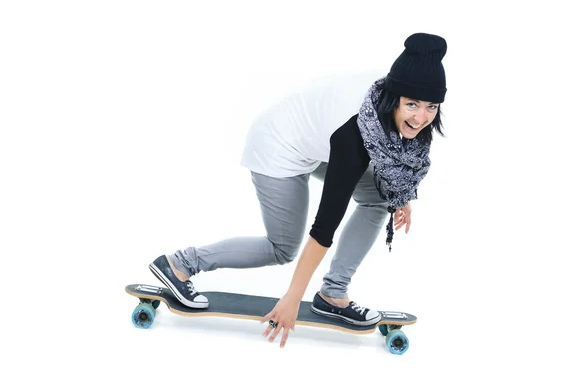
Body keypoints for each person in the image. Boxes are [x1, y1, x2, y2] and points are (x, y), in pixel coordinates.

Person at [148, 32, 448, 348]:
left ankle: (333, 294)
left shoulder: (395, 94)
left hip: (315, 143)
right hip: (278, 144)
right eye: (411, 105)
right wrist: (293, 297)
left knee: (379, 198)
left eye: (431, 107)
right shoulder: (355, 135)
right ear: (393, 98)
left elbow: (395, 159)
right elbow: (325, 225)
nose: (420, 117)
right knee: (282, 248)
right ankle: (180, 264)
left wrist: (401, 194)